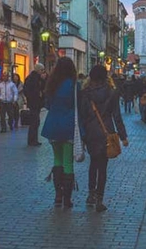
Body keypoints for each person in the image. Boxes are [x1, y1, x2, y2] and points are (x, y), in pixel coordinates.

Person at [79, 65, 129, 212]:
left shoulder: (85, 93)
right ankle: (100, 199)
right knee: (103, 167)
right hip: (106, 131)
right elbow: (117, 116)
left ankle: (90, 194)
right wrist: (123, 136)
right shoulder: (111, 92)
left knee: (93, 163)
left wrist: (82, 135)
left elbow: (82, 115)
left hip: (91, 133)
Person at [41, 57, 79, 208]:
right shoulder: (74, 86)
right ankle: (67, 199)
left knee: (57, 160)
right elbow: (78, 105)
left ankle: (58, 195)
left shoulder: (52, 84)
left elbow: (48, 104)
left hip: (53, 126)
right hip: (68, 126)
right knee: (68, 162)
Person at [24, 64, 46, 146]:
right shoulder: (34, 78)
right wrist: (37, 95)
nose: (42, 72)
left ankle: (33, 140)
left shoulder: (32, 78)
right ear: (38, 70)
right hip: (35, 102)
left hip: (34, 103)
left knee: (35, 122)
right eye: (41, 70)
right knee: (35, 122)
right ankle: (32, 140)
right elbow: (31, 90)